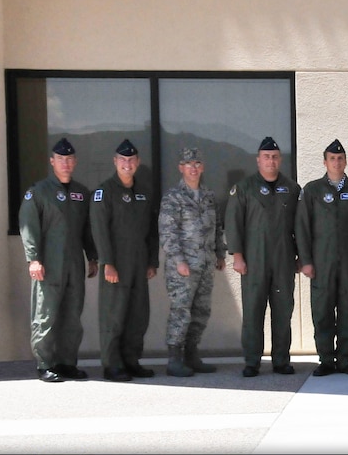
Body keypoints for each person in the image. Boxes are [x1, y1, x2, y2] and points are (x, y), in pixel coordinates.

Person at [19, 138, 98, 383]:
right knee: (47, 314)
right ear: (52, 162)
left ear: (74, 162)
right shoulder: (39, 192)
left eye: (69, 159)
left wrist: (92, 256)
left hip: (74, 264)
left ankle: (66, 363)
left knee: (72, 316)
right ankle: (46, 364)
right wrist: (33, 259)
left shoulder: (81, 193)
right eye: (60, 159)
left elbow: (87, 229)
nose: (65, 163)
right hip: (49, 264)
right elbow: (28, 227)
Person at [225, 136, 300, 377]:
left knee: (282, 312)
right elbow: (233, 223)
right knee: (253, 312)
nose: (271, 161)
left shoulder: (292, 189)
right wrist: (237, 255)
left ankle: (281, 359)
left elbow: (300, 227)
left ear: (280, 160)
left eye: (275, 157)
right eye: (266, 157)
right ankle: (252, 361)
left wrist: (301, 256)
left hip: (283, 260)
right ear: (258, 160)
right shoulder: (244, 188)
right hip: (254, 260)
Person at [296, 139, 348, 377]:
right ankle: (326, 359)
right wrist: (305, 260)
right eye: (332, 158)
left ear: (346, 161)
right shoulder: (312, 190)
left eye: (340, 158)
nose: (336, 162)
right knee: (322, 309)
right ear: (324, 162)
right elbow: (302, 227)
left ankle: (346, 359)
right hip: (321, 262)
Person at [90, 139, 159, 382]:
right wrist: (106, 262)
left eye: (131, 160)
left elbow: (151, 230)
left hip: (139, 263)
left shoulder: (144, 191)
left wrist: (152, 261)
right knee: (114, 315)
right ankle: (112, 365)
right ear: (115, 162)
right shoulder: (104, 192)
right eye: (123, 160)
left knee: (138, 315)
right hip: (116, 264)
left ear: (137, 162)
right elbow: (99, 230)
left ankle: (131, 360)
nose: (127, 164)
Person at [158, 146, 225, 377]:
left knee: (201, 311)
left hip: (205, 264)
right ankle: (174, 359)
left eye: (197, 164)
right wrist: (178, 261)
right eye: (188, 164)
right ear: (181, 168)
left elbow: (216, 228)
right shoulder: (173, 197)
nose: (193, 168)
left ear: (202, 167)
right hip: (183, 268)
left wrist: (219, 254)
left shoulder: (208, 196)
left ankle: (191, 354)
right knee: (181, 311)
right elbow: (167, 233)